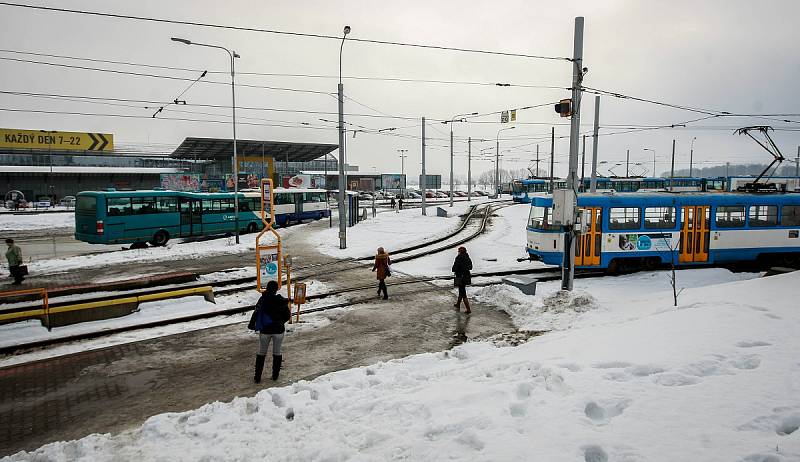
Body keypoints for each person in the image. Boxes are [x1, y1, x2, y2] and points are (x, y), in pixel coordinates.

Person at [252, 280, 291, 383]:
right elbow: (287, 316)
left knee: (261, 353)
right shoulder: (281, 300)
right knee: (277, 352)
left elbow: (256, 312)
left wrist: (253, 324)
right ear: (276, 289)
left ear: (267, 288)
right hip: (278, 331)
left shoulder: (263, 299)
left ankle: (257, 377)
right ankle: (275, 376)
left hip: (265, 330)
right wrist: (280, 322)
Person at [452, 246, 473, 313]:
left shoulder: (458, 258)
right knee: (461, 291)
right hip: (466, 277)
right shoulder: (467, 257)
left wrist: (458, 269)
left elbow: (454, 268)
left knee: (463, 293)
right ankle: (458, 304)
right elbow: (470, 267)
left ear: (460, 252)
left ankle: (468, 309)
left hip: (460, 277)